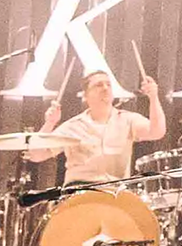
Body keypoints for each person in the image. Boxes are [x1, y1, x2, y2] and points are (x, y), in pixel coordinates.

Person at [25, 69, 168, 183]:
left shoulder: (128, 120)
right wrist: (49, 123)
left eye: (108, 84)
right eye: (99, 85)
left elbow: (157, 132)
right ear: (86, 96)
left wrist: (153, 98)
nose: (105, 88)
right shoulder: (72, 126)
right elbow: (36, 155)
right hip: (79, 198)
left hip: (116, 199)